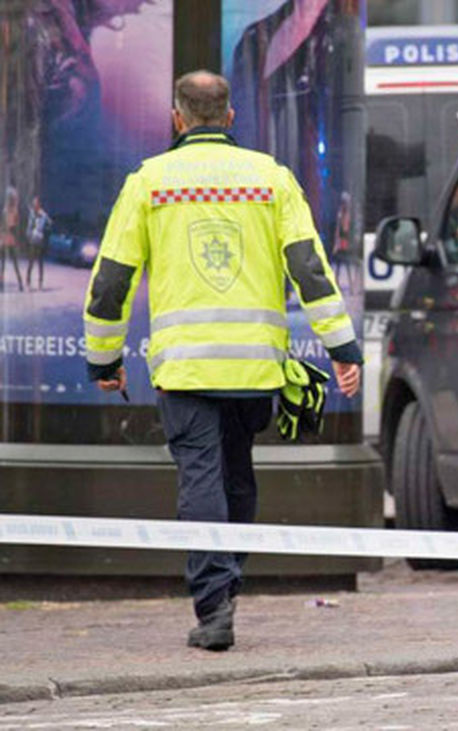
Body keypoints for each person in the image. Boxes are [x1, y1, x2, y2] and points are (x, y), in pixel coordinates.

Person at [82, 70, 362, 651]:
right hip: (254, 369)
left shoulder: (150, 182)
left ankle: (214, 606)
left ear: (176, 119)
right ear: (230, 116)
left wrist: (104, 361)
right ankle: (227, 587)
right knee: (236, 473)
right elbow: (310, 269)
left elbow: (110, 282)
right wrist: (342, 349)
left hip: (185, 369)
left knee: (201, 477)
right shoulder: (271, 178)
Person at [25, 195, 52, 290]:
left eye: (36, 203)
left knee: (40, 263)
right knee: (31, 262)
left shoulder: (43, 214)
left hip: (40, 240)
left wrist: (44, 232)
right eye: (34, 203)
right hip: (33, 239)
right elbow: (29, 226)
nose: (35, 205)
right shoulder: (32, 214)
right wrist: (29, 235)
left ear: (39, 204)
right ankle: (28, 282)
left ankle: (40, 283)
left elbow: (50, 223)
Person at [1, 186, 22, 293]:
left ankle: (19, 283)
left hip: (8, 238)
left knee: (6, 262)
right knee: (6, 262)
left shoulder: (10, 211)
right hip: (7, 237)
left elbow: (12, 225)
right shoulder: (10, 210)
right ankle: (19, 283)